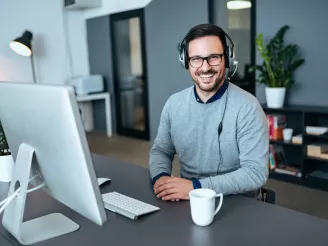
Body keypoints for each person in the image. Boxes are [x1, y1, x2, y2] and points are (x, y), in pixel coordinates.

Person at [149, 23, 269, 201]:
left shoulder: (248, 106)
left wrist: (196, 187)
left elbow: (255, 172)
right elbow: (161, 150)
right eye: (196, 59)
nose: (205, 68)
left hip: (238, 202)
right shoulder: (174, 104)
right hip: (188, 199)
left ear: (226, 58)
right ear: (185, 61)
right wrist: (161, 177)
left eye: (213, 57)